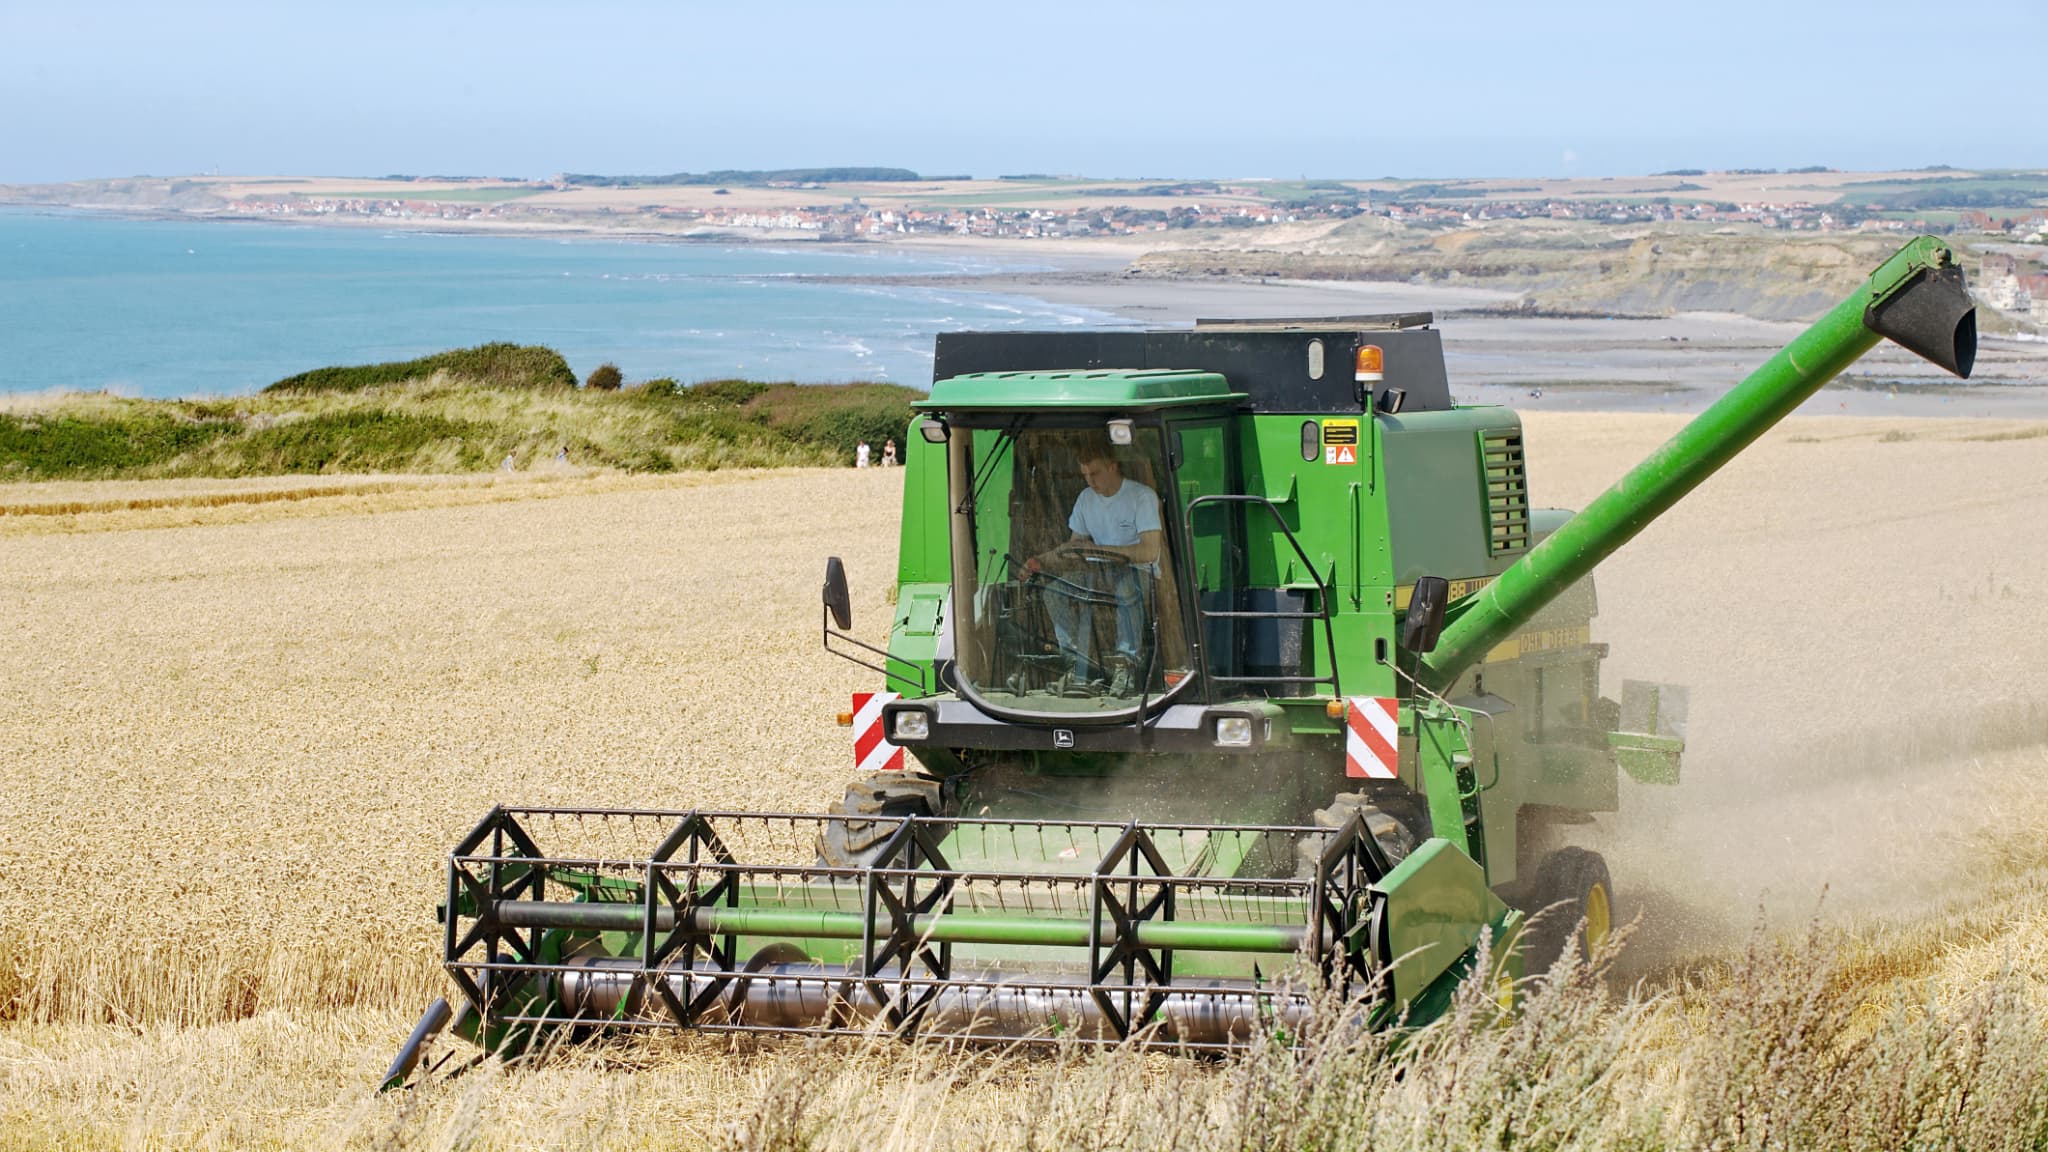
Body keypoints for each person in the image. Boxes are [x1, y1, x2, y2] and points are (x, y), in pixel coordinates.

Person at [1024, 441, 1161, 696]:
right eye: (1085, 475)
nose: (1090, 481)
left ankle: (1125, 666)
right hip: (1096, 573)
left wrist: (1101, 551)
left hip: (1140, 572)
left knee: (1125, 587)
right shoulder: (1086, 498)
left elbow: (1150, 551)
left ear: (1113, 466)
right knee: (1055, 592)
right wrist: (1042, 560)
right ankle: (1077, 663)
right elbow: (1076, 543)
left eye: (1095, 473)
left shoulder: (1141, 497)